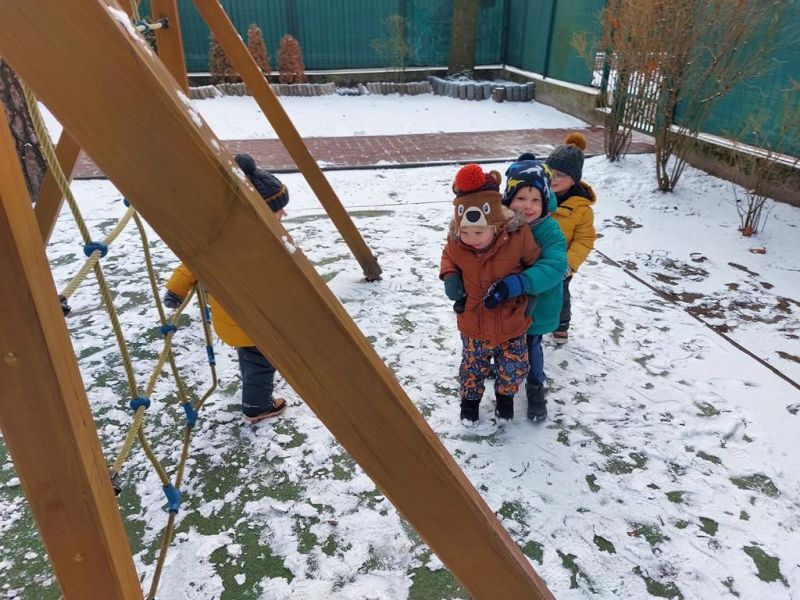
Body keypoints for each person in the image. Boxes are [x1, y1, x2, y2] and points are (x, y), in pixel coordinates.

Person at [163, 153, 289, 424]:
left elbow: (190, 265)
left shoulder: (218, 240)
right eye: (278, 210)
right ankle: (256, 407)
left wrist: (175, 290)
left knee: (251, 359)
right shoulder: (260, 246)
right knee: (262, 365)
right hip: (253, 322)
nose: (284, 214)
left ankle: (253, 389)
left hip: (232, 320)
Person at [440, 164, 541, 423]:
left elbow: (535, 264)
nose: (471, 238)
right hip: (473, 321)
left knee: (513, 366)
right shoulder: (456, 241)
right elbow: (448, 257)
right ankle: (469, 403)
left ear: (496, 226)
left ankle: (505, 398)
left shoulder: (517, 237)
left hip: (511, 320)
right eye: (465, 232)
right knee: (472, 367)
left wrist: (527, 293)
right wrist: (450, 275)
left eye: (478, 232)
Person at [492, 156, 567, 422]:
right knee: (502, 343)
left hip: (536, 307)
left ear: (545, 201)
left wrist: (522, 282)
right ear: (508, 198)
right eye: (521, 198)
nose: (528, 206)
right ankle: (503, 377)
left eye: (536, 200)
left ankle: (535, 386)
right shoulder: (500, 224)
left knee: (532, 348)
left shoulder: (549, 230)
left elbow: (556, 265)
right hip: (504, 304)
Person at [545, 132, 597, 344]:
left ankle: (561, 325)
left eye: (560, 175)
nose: (553, 178)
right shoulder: (536, 194)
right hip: (532, 256)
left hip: (560, 262)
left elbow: (584, 240)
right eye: (550, 172)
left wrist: (568, 263)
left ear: (573, 179)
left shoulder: (581, 208)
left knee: (559, 293)